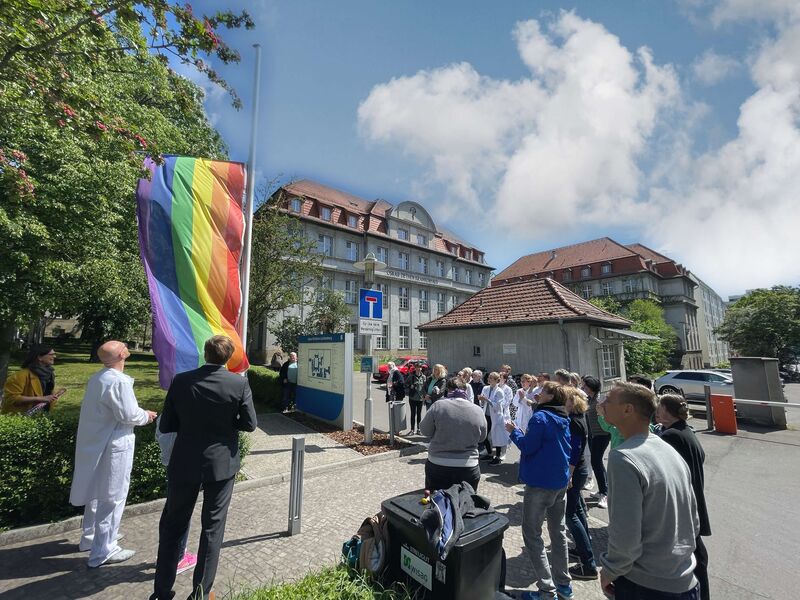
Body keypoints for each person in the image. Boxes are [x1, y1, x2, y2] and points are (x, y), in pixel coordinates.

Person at [150, 336, 257, 600]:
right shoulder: (238, 383)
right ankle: (200, 594)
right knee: (212, 528)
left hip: (184, 461)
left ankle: (161, 592)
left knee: (173, 526)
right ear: (228, 357)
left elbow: (166, 425)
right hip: (220, 465)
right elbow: (249, 424)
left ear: (205, 354)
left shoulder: (181, 381)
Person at [598, 383, 700, 600]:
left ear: (628, 409)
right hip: (684, 579)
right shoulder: (667, 449)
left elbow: (625, 535)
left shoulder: (624, 457)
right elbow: (692, 517)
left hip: (647, 585)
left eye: (608, 400)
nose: (602, 404)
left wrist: (610, 571)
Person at [69, 341, 156, 568]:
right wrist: (146, 415)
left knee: (97, 492)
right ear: (120, 355)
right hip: (115, 442)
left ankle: (90, 537)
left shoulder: (98, 378)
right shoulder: (118, 382)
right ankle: (103, 549)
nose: (127, 347)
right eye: (124, 346)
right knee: (113, 495)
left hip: (99, 441)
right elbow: (128, 414)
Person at [505, 382, 573, 600]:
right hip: (559, 481)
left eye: (542, 391)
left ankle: (546, 591)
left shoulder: (541, 417)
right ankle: (564, 585)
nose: (538, 393)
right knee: (558, 532)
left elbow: (527, 446)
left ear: (551, 396)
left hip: (540, 482)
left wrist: (514, 432)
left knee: (532, 534)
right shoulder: (563, 417)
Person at [657, 395, 711, 600]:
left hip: (683, 504)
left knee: (693, 558)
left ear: (667, 411)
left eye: (660, 407)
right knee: (697, 554)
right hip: (694, 500)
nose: (656, 411)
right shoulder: (686, 431)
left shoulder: (670, 436)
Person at [420, 377, 487, 491]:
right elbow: (482, 438)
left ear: (448, 390)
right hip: (468, 465)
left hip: (439, 463)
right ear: (465, 390)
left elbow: (425, 430)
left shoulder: (438, 406)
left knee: (437, 503)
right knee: (467, 503)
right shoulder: (477, 410)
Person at [155, 415, 197, 576]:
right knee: (181, 511)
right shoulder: (186, 405)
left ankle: (166, 552)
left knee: (172, 509)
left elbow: (160, 432)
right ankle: (178, 557)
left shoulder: (171, 404)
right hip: (184, 462)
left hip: (172, 461)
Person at [563, 388, 597, 581]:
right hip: (578, 471)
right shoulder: (578, 417)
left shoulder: (575, 421)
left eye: (565, 400)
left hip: (575, 472)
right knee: (577, 510)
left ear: (572, 402)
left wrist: (569, 474)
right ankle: (583, 545)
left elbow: (575, 450)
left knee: (571, 516)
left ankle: (588, 564)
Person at [2, 344, 66, 415]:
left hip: (43, 415)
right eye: (51, 354)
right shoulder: (20, 376)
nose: (54, 356)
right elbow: (11, 398)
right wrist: (41, 398)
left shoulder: (50, 374)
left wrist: (54, 395)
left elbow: (46, 393)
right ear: (39, 357)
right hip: (20, 418)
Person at [582, 375, 610, 510]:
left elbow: (606, 416)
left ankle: (605, 493)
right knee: (596, 463)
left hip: (602, 434)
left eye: (585, 386)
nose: (582, 387)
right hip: (593, 434)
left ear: (591, 386)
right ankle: (602, 490)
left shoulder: (600, 399)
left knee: (596, 462)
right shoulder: (590, 399)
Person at [479, 372, 510, 465]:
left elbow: (497, 406)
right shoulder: (485, 388)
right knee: (483, 435)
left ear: (497, 381)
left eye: (491, 378)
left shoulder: (499, 391)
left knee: (497, 436)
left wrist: (486, 400)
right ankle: (489, 453)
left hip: (496, 417)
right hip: (486, 415)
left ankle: (497, 457)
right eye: (489, 377)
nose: (489, 379)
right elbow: (482, 403)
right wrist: (482, 400)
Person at [405, 363, 426, 435]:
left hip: (420, 399)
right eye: (417, 367)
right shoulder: (411, 376)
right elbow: (405, 384)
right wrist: (410, 386)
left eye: (420, 367)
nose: (419, 368)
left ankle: (418, 429)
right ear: (415, 368)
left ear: (421, 368)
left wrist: (424, 396)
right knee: (413, 414)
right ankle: (412, 430)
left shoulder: (423, 377)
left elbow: (425, 387)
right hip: (412, 398)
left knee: (419, 414)